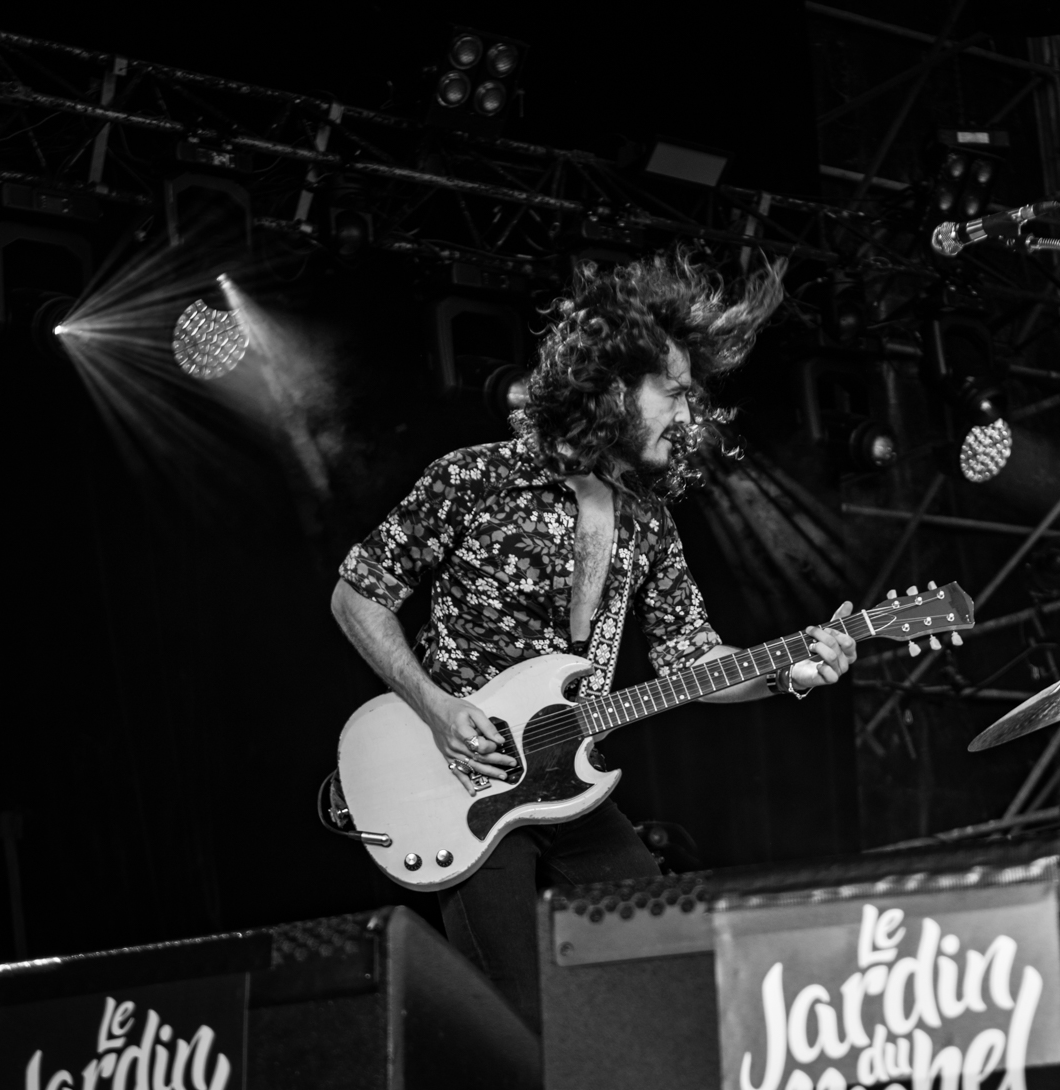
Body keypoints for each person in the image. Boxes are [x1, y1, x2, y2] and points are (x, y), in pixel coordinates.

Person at [330, 253, 858, 1029]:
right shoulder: (473, 480)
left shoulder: (650, 521)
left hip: (568, 783)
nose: (687, 415)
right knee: (515, 1020)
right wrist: (438, 708)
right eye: (674, 392)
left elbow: (694, 660)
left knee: (663, 962)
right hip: (464, 788)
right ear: (611, 387)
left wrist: (794, 670)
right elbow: (357, 595)